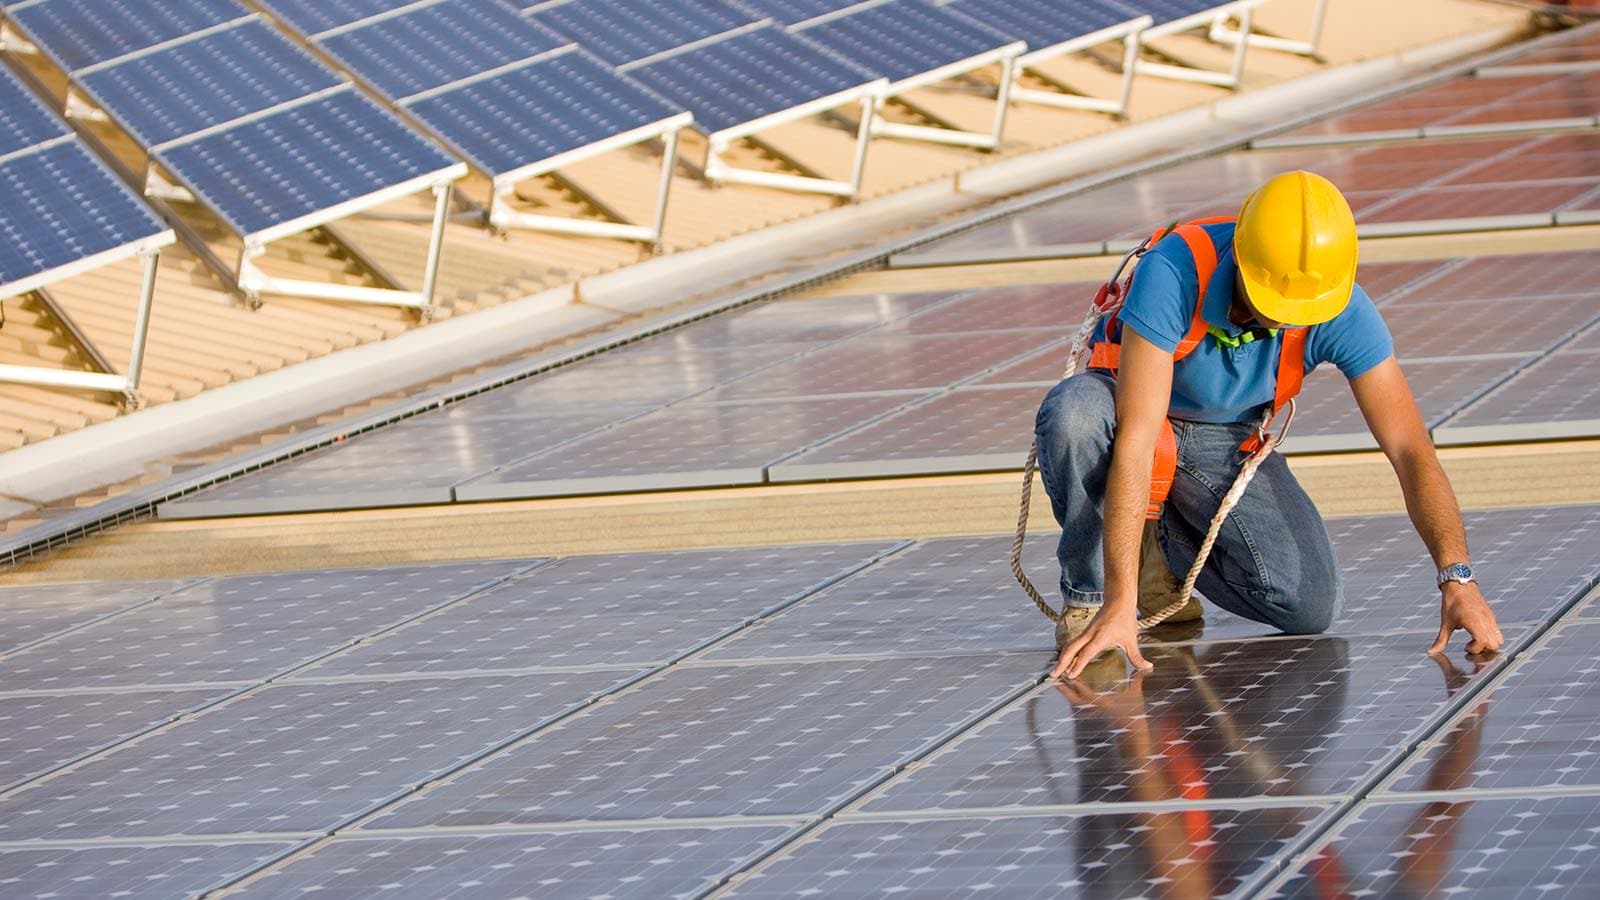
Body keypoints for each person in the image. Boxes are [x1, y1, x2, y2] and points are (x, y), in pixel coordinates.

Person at [1036, 171, 1504, 680]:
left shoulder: (1335, 303)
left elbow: (1411, 449)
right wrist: (1121, 602)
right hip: (1129, 415)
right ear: (1240, 256)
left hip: (1227, 440)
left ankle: (1161, 562)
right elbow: (1137, 435)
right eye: (1272, 307)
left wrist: (1457, 577)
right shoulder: (1173, 271)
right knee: (1073, 414)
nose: (1283, 322)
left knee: (1312, 606)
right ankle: (1096, 598)